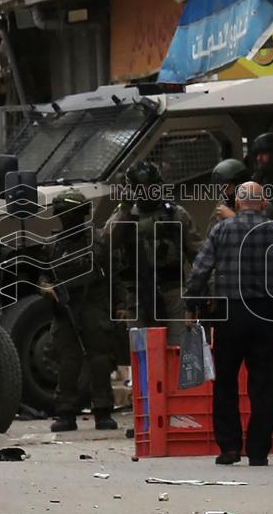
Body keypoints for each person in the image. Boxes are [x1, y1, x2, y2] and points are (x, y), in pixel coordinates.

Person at [184, 182, 273, 467]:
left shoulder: (221, 230)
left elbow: (200, 270)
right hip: (267, 314)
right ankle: (258, 451)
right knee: (264, 384)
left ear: (238, 204)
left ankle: (229, 447)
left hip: (229, 314)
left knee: (225, 381)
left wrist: (191, 303)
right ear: (263, 203)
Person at [41, 188, 121, 433]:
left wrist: (120, 306)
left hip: (94, 305)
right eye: (64, 214)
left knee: (99, 360)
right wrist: (45, 287)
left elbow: (115, 276)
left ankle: (102, 410)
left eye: (71, 214)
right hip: (66, 309)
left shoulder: (98, 241)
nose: (67, 219)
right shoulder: (52, 246)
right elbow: (43, 275)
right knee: (68, 362)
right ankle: (66, 412)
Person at [106, 161, 202, 348]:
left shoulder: (175, 213)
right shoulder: (123, 215)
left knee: (177, 349)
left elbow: (197, 254)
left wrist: (200, 290)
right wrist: (124, 210)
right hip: (137, 294)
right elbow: (106, 243)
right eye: (141, 188)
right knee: (141, 352)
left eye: (151, 187)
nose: (147, 192)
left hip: (172, 290)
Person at [207, 157, 251, 234]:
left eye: (226, 187)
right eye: (220, 188)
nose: (224, 193)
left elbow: (258, 236)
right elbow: (210, 236)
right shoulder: (223, 204)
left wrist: (234, 219)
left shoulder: (260, 205)